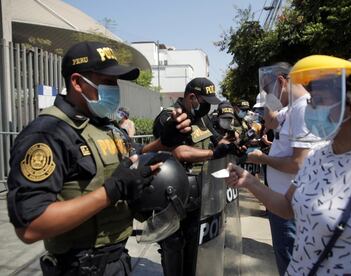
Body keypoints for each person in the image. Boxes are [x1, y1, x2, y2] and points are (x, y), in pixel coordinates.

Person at [6, 41, 190, 275]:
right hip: (77, 267)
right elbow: (30, 226)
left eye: (116, 83)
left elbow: (133, 157)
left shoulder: (104, 126)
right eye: (107, 82)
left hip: (116, 260)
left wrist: (166, 140)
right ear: (77, 83)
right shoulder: (48, 134)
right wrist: (110, 191)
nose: (115, 89)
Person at [226, 55, 351, 275]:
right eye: (311, 100)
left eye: (319, 101)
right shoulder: (319, 157)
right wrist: (248, 181)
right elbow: (288, 207)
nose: (311, 109)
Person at [152, 77, 242, 276]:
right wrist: (212, 154)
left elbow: (216, 141)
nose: (208, 108)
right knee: (173, 247)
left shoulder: (202, 118)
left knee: (194, 244)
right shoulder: (169, 118)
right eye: (205, 102)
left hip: (202, 191)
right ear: (192, 97)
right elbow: (178, 151)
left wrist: (231, 144)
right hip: (173, 193)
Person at [247, 62, 314, 275]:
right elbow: (272, 122)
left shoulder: (303, 109)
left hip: (290, 205)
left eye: (270, 91)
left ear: (281, 81)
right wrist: (269, 97)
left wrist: (264, 159)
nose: (269, 97)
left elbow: (298, 163)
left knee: (290, 262)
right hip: (282, 201)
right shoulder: (292, 108)